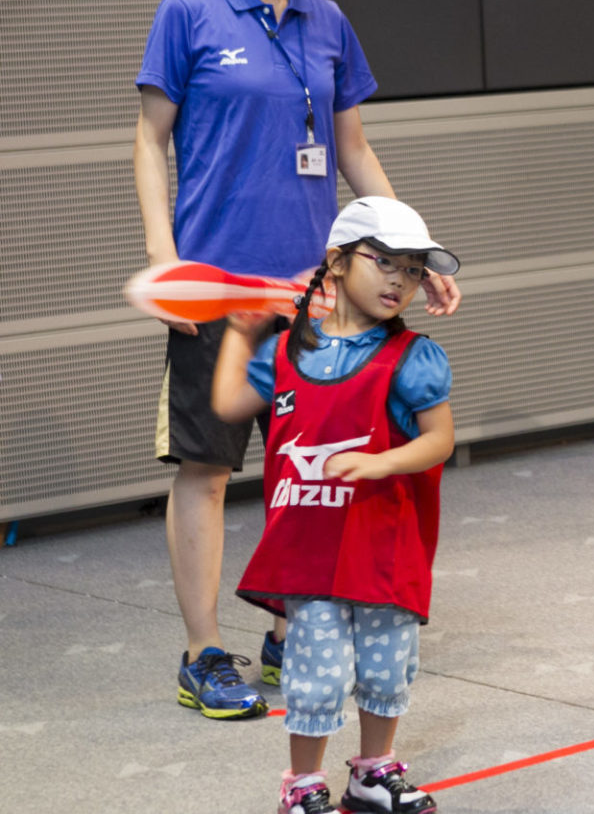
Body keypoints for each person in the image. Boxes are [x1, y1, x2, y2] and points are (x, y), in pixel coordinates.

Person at [132, 0, 460, 719]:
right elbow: (147, 143)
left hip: (318, 299)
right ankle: (203, 651)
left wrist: (412, 251)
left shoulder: (328, 21)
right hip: (221, 293)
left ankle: (290, 629)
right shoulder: (189, 15)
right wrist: (170, 266)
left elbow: (352, 146)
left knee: (305, 465)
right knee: (205, 467)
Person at [211, 196, 458, 814]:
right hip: (310, 552)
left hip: (383, 547)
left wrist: (381, 462)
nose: (400, 279)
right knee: (315, 674)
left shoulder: (413, 357)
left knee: (384, 668)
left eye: (414, 268)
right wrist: (239, 337)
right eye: (386, 262)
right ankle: (302, 784)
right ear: (337, 262)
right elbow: (227, 407)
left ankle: (373, 771)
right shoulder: (289, 354)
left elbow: (440, 440)